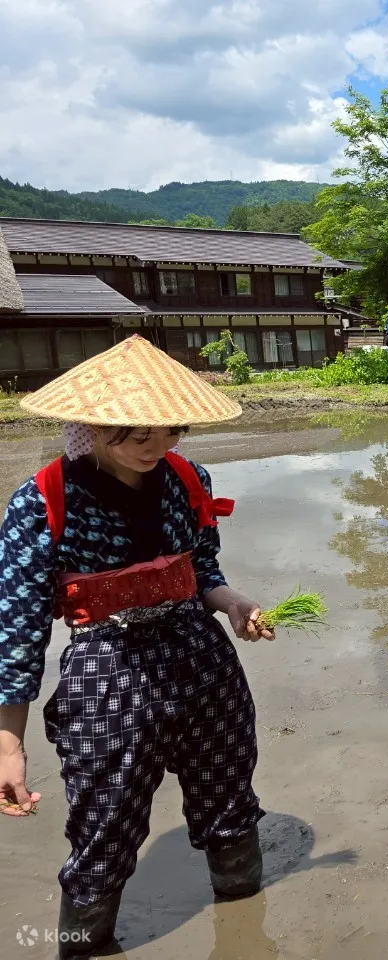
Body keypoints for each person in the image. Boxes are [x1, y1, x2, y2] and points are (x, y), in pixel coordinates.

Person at [0, 336, 273, 956]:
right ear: (90, 426)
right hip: (106, 667)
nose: (154, 445)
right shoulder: (43, 501)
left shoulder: (188, 479)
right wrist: (8, 743)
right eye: (133, 433)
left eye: (168, 429)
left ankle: (245, 927)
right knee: (105, 820)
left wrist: (233, 605)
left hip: (201, 660)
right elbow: (16, 627)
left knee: (229, 794)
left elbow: (202, 569)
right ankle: (82, 942)